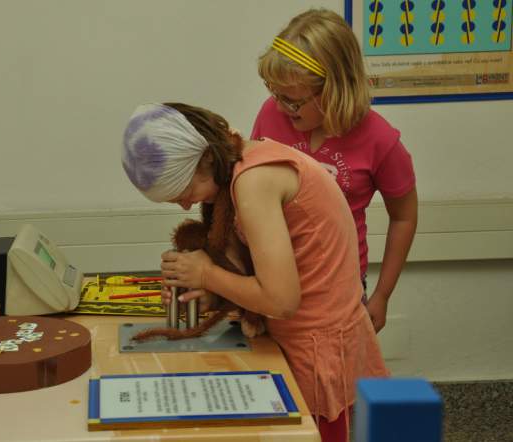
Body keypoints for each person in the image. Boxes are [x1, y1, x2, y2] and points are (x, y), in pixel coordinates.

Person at [121, 102, 388, 442]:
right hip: (298, 335)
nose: (187, 205)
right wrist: (214, 294)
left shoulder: (254, 181)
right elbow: (263, 269)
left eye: (184, 192)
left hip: (316, 345)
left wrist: (206, 275)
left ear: (205, 159)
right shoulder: (246, 162)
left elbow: (281, 299)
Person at [252, 9, 418, 333]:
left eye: (293, 101)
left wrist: (382, 295)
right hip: (272, 281)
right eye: (275, 93)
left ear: (335, 89)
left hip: (339, 289)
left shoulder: (380, 139)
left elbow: (404, 217)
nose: (281, 107)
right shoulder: (272, 113)